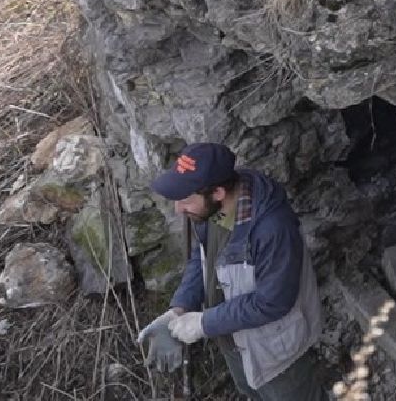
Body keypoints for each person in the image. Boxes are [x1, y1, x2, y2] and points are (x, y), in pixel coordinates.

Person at [137, 142, 327, 400]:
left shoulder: (273, 229)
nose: (177, 209)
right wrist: (179, 309)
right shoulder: (213, 211)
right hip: (234, 340)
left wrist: (204, 323)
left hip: (277, 353)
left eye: (185, 199)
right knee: (251, 391)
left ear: (217, 192)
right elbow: (204, 258)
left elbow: (273, 302)